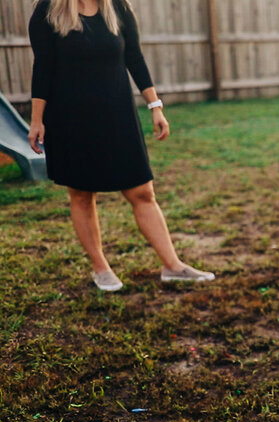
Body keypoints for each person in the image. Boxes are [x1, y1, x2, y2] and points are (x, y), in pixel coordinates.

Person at [27, 0, 214, 292]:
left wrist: (155, 105)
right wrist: (37, 120)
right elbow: (43, 67)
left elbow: (135, 57)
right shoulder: (48, 10)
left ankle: (173, 266)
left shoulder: (116, 6)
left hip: (118, 114)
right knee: (81, 192)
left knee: (142, 190)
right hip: (70, 117)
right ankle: (101, 269)